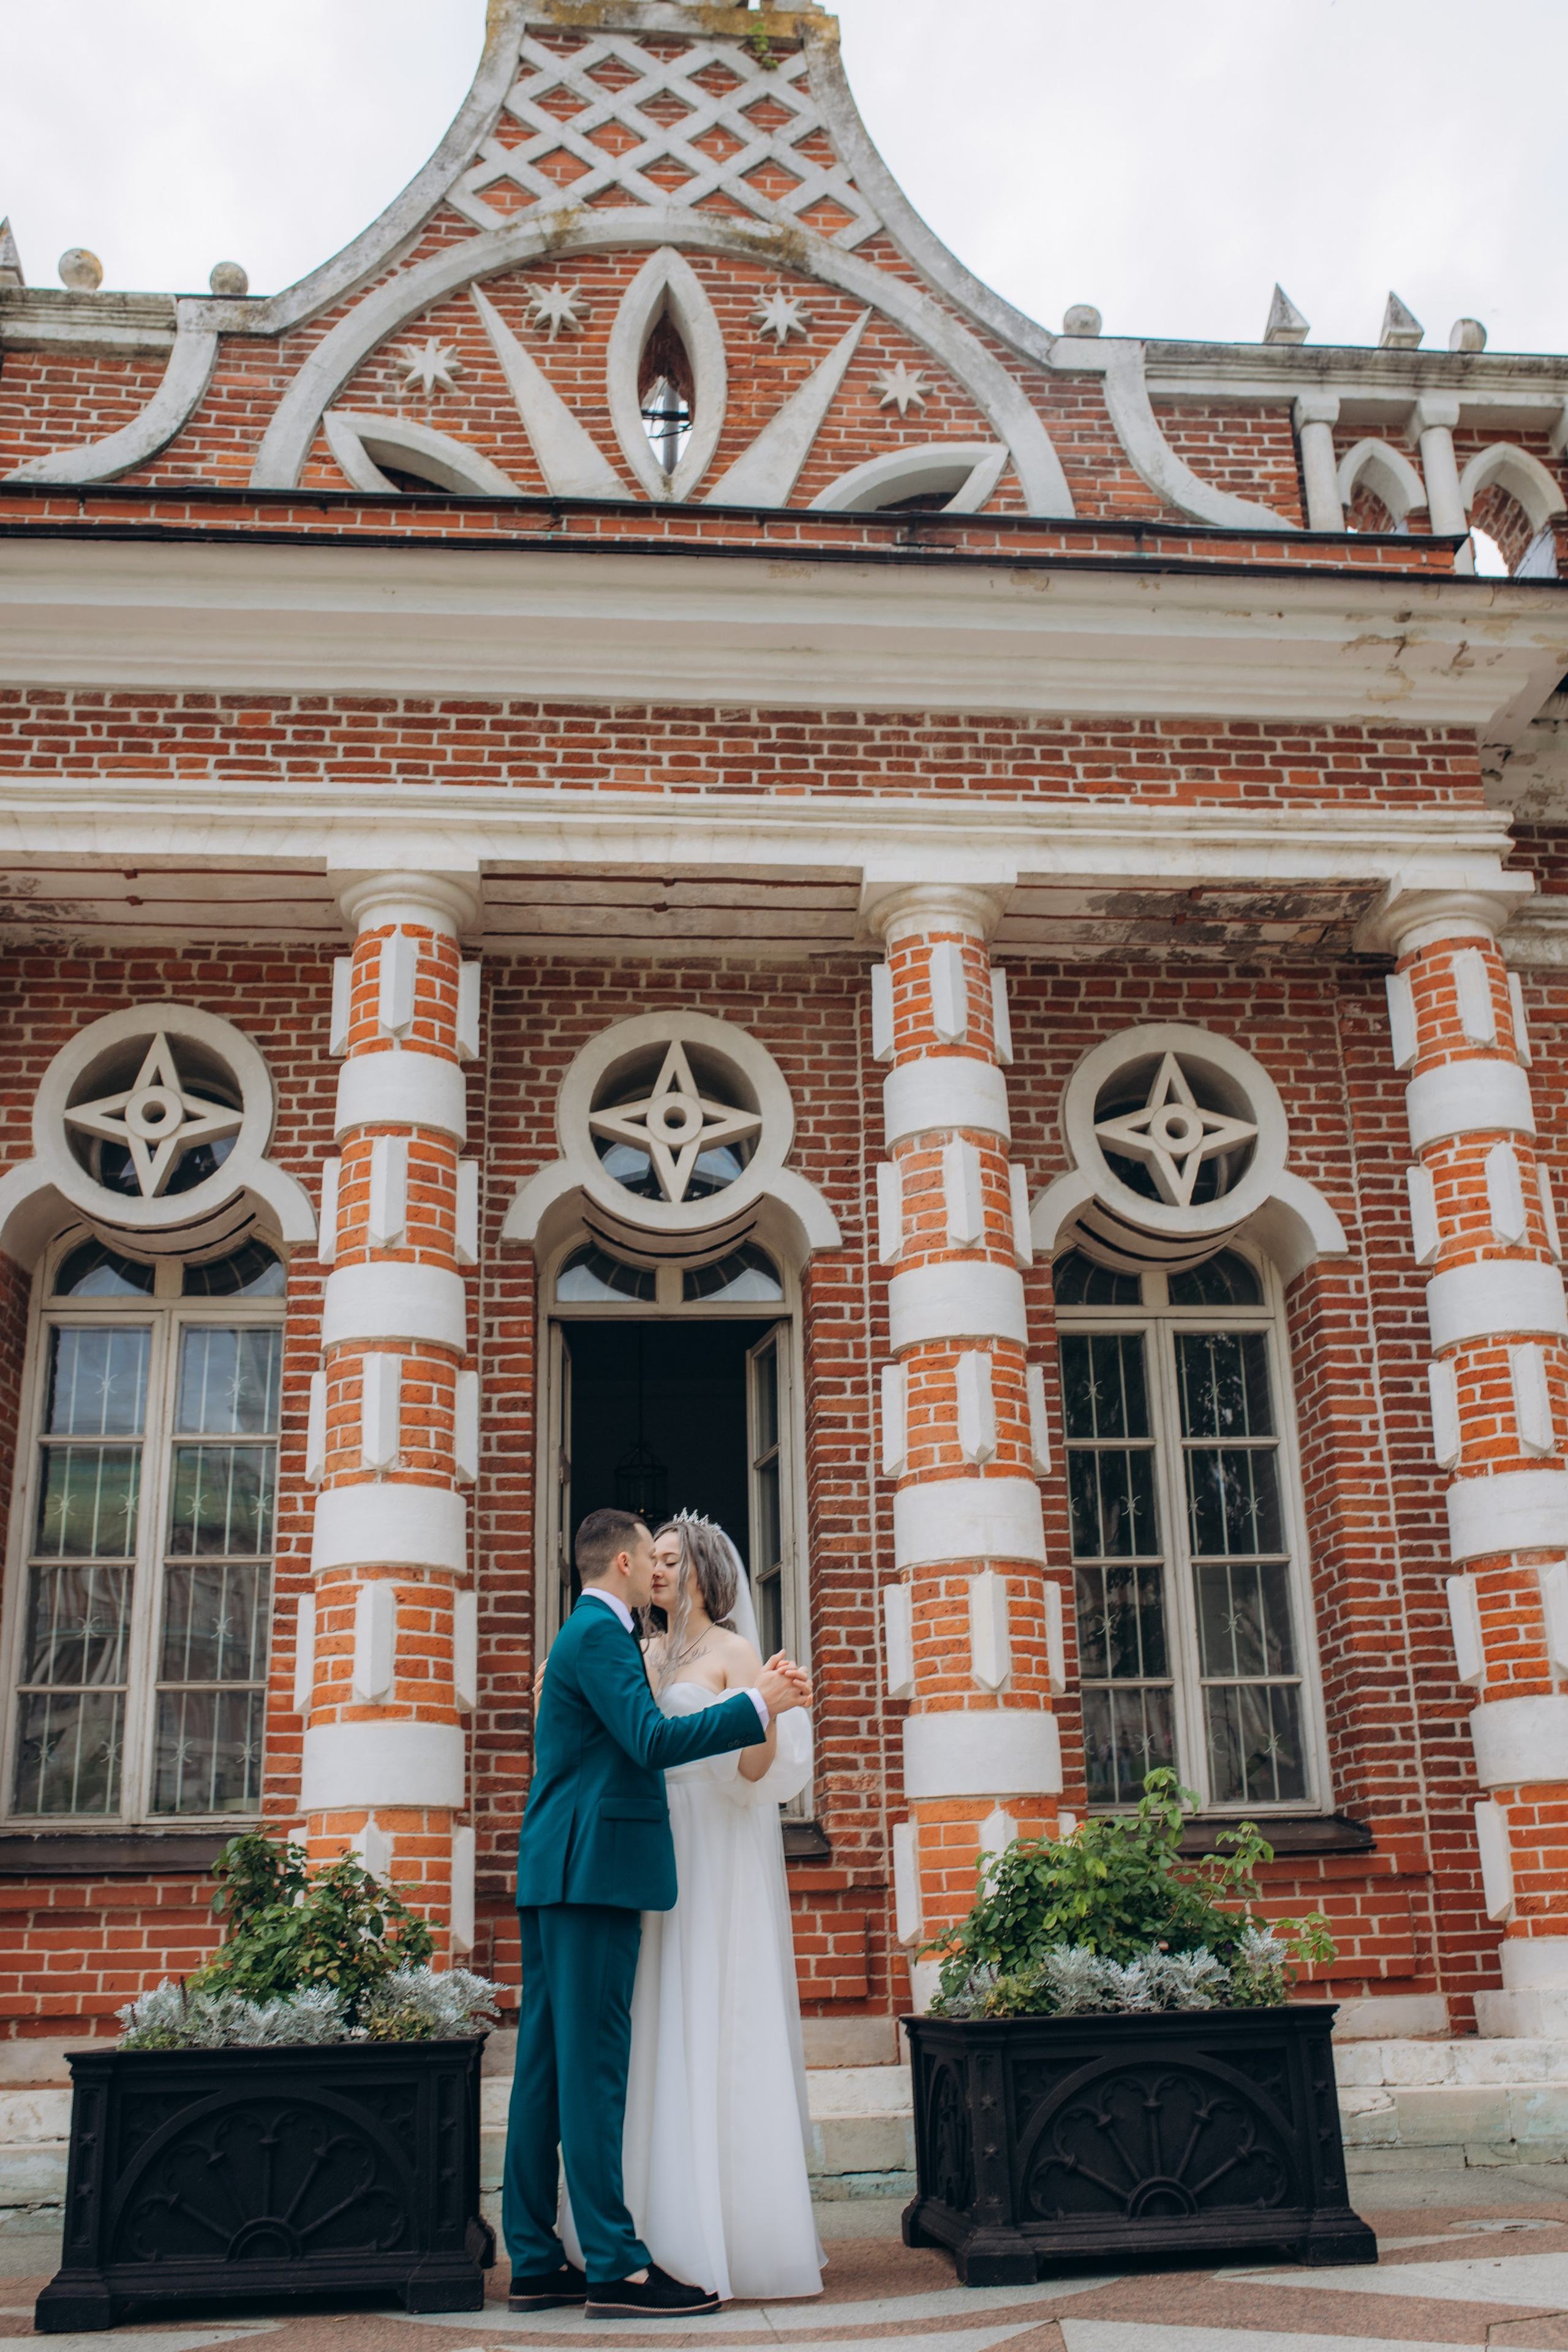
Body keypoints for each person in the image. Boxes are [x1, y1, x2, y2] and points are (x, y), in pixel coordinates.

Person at [502, 1506, 811, 2322]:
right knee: (591, 2071)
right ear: (627, 1566)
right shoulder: (602, 1635)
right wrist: (756, 1705)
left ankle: (534, 2259)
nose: (659, 1570)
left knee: (547, 2069)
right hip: (594, 1873)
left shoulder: (594, 1639)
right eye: (652, 1557)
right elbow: (645, 1742)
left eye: (673, 1559)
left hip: (573, 1868)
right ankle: (618, 2268)